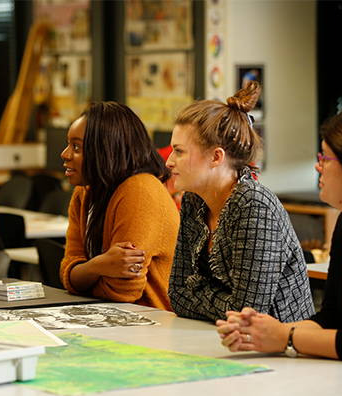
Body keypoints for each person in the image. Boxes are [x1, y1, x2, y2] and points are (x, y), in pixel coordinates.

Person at [217, 105, 342, 362]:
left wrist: (286, 338)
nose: (319, 167)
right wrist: (266, 332)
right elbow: (332, 318)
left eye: (325, 159)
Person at [166, 81, 315, 322]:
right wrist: (220, 298)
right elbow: (177, 294)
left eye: (179, 151)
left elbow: (248, 312)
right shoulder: (193, 200)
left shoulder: (253, 205)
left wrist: (198, 289)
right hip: (218, 337)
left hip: (282, 350)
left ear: (216, 157)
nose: (169, 161)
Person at [59, 101, 180, 310]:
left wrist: (87, 274)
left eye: (76, 146)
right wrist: (99, 265)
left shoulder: (141, 191)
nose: (65, 154)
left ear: (106, 151)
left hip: (153, 325)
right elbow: (69, 272)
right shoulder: (84, 193)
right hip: (114, 318)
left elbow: (123, 291)